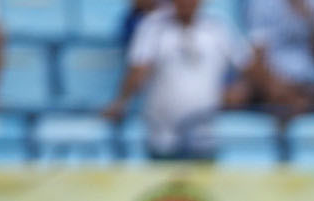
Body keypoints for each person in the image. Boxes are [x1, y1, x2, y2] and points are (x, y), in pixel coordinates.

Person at [105, 0, 258, 161]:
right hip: (162, 136)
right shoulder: (153, 26)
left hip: (205, 136)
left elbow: (248, 67)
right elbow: (138, 70)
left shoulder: (218, 26)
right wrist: (121, 102)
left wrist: (241, 88)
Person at [246, 0, 314, 115]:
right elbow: (256, 56)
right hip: (277, 83)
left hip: (309, 83)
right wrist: (275, 87)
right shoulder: (262, 4)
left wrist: (312, 22)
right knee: (291, 103)